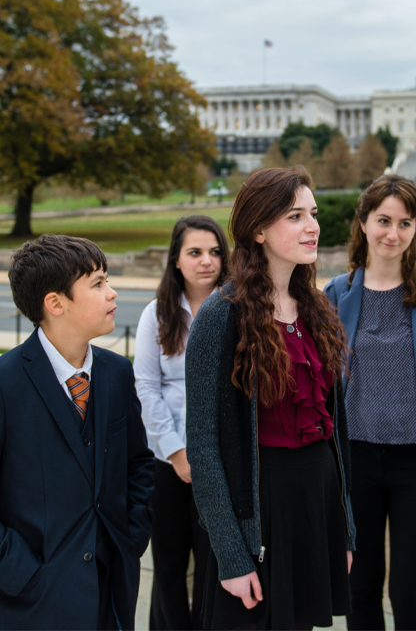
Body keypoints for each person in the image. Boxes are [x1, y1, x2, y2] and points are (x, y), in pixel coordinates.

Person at [185, 166, 355, 630]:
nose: (313, 226)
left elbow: (336, 436)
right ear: (258, 229)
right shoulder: (222, 316)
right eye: (295, 215)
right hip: (259, 509)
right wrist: (231, 555)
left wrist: (345, 529)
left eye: (313, 214)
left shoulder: (318, 309)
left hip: (315, 503)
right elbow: (202, 445)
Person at [324, 173, 416, 631]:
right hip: (357, 465)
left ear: (415, 229)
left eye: (405, 223)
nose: (393, 233)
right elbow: (326, 393)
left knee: (410, 596)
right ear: (364, 223)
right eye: (384, 221)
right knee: (359, 592)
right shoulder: (335, 295)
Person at [0, 235, 154, 630]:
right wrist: (21, 572)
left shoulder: (118, 373)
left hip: (112, 594)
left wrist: (131, 537)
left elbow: (138, 463)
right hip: (30, 602)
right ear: (56, 303)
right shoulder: (5, 383)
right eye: (98, 283)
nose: (112, 292)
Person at [134, 216, 230, 629]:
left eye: (214, 252)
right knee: (170, 566)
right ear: (176, 260)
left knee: (214, 564)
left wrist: (203, 455)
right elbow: (146, 386)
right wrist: (175, 451)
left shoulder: (235, 311)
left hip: (221, 460)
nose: (206, 261)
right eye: (195, 252)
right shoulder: (157, 314)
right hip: (167, 461)